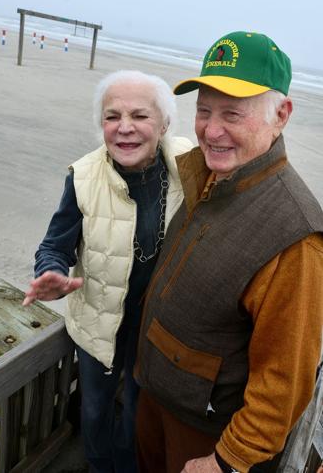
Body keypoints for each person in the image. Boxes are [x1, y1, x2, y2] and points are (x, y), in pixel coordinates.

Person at [135, 31, 323, 473]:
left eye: (232, 114)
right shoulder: (212, 175)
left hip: (206, 436)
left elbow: (284, 382)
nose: (210, 130)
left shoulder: (296, 237)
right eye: (203, 110)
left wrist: (226, 460)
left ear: (281, 114)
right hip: (152, 400)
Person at [22, 70, 192, 473]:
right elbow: (54, 246)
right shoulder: (82, 178)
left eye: (140, 116)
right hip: (98, 321)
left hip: (154, 325)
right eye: (112, 116)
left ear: (165, 124)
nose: (125, 128)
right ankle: (99, 466)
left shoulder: (190, 164)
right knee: (96, 408)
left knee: (137, 407)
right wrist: (51, 273)